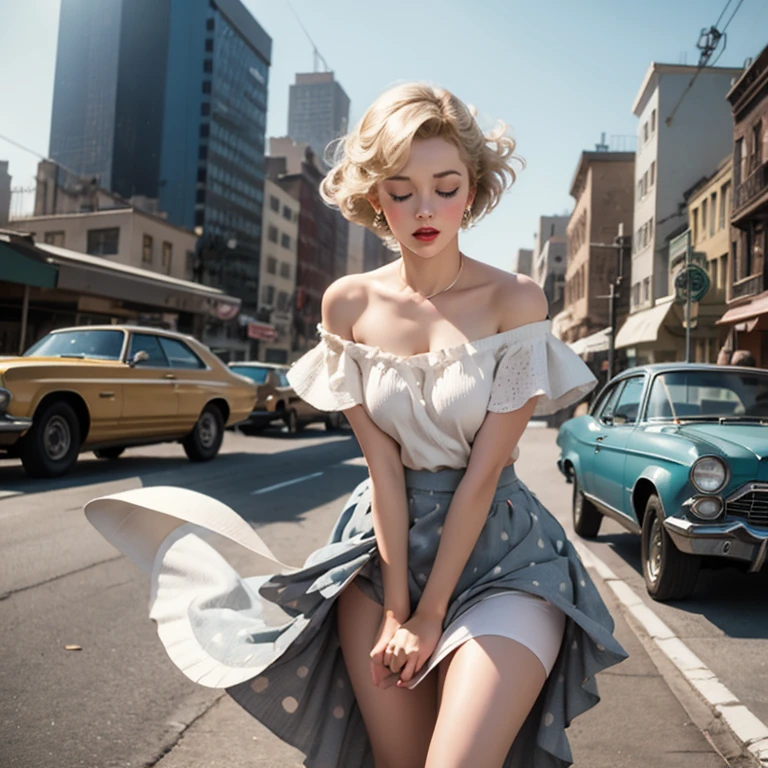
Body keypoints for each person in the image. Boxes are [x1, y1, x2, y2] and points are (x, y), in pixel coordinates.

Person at [86, 83, 627, 768]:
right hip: (381, 558)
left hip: (504, 556)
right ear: (376, 197)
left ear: (474, 189)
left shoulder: (514, 300)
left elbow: (485, 472)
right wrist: (400, 609)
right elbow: (383, 475)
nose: (424, 209)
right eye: (401, 191)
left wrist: (432, 616)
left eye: (445, 186)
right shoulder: (348, 304)